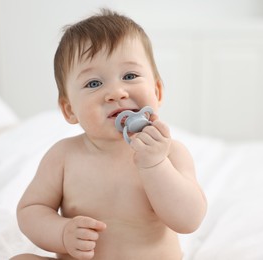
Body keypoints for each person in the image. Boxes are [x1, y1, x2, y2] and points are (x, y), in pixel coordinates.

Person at [12, 8, 207, 260]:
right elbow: (31, 210)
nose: (116, 92)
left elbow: (189, 220)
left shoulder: (170, 153)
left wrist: (155, 165)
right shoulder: (63, 156)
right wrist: (62, 232)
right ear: (70, 109)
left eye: (130, 75)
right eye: (94, 83)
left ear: (157, 92)